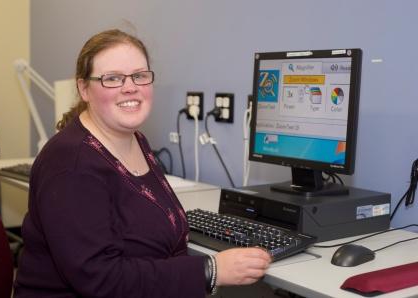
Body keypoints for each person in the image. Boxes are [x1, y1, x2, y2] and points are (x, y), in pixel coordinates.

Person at [14, 28, 271, 297]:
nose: (130, 87)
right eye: (112, 78)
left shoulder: (135, 140)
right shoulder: (71, 164)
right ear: (83, 88)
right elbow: (100, 278)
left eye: (139, 76)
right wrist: (210, 270)